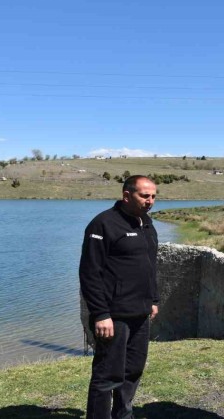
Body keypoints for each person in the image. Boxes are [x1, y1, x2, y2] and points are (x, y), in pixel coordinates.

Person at [79, 175, 159, 419]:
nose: (150, 201)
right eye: (144, 196)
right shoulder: (103, 224)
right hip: (113, 315)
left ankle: (123, 415)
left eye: (154, 196)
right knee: (107, 375)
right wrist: (101, 314)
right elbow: (90, 272)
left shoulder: (146, 223)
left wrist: (153, 300)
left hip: (140, 313)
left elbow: (149, 265)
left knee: (133, 370)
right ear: (126, 195)